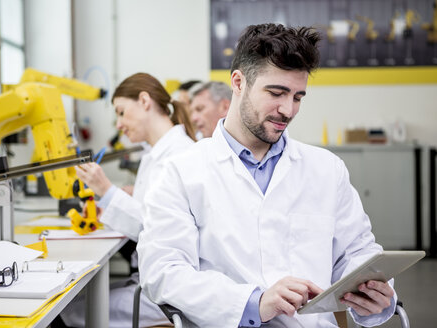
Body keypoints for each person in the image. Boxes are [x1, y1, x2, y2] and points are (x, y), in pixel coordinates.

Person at [137, 24, 396, 327]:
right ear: (238, 82)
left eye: (298, 97)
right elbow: (163, 271)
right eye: (276, 93)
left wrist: (373, 296)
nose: (288, 110)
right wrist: (253, 302)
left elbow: (357, 253)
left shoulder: (326, 169)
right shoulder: (181, 171)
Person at [60, 72, 196, 328]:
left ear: (144, 101)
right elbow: (149, 215)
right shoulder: (155, 155)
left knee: (67, 311)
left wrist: (106, 190)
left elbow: (152, 227)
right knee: (74, 301)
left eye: (121, 112)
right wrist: (111, 201)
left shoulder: (179, 156)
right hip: (150, 279)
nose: (119, 124)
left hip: (168, 292)